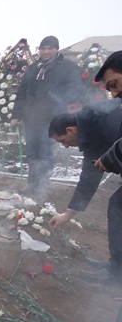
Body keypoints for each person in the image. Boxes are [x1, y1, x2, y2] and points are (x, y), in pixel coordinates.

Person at [55, 51, 122, 322]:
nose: (114, 93)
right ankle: (116, 268)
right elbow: (90, 175)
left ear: (70, 130)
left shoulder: (95, 122)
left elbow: (92, 172)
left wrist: (112, 157)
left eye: (114, 83)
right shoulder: (93, 123)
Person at [47, 104, 122, 284]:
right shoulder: (89, 132)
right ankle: (117, 264)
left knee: (118, 206)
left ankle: (117, 271)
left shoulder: (102, 121)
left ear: (70, 130)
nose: (65, 146)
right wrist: (67, 215)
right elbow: (89, 178)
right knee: (117, 205)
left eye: (63, 141)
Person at [11, 36, 83, 199]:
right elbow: (22, 91)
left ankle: (41, 189)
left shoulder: (68, 68)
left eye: (50, 48)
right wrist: (16, 114)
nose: (46, 51)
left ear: (57, 49)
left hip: (52, 121)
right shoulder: (34, 68)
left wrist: (62, 112)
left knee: (45, 154)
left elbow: (75, 92)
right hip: (32, 118)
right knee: (32, 154)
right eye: (43, 48)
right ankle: (32, 186)